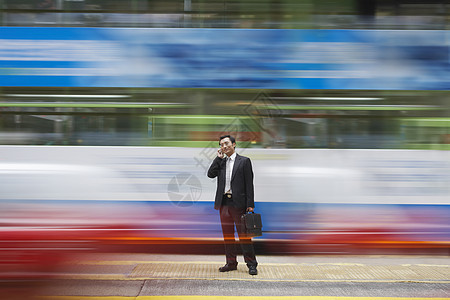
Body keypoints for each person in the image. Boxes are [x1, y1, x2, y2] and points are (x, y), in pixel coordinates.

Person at [207, 135, 258, 275]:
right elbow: (210, 174)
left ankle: (251, 264)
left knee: (244, 236)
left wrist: (250, 204)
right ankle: (231, 263)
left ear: (234, 144)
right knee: (228, 236)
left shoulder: (244, 161)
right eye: (221, 144)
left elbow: (249, 184)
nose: (224, 146)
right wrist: (218, 158)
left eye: (227, 143)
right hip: (224, 204)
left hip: (239, 204)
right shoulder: (221, 162)